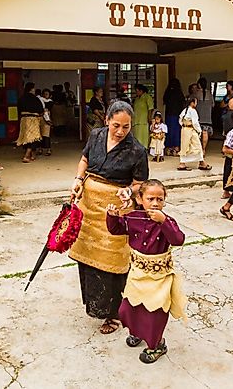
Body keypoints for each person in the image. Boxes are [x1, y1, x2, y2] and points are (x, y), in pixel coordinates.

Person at [69, 101, 149, 335]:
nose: (121, 131)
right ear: (107, 120)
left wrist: (130, 192)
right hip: (88, 206)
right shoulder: (95, 136)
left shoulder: (137, 150)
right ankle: (94, 305)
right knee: (88, 257)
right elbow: (84, 160)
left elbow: (139, 184)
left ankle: (113, 312)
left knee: (112, 263)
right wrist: (77, 179)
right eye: (116, 125)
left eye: (126, 127)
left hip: (114, 210)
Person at [106, 179, 186, 364]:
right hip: (137, 274)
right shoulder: (133, 217)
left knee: (154, 313)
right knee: (129, 308)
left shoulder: (167, 221)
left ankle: (157, 344)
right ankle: (137, 333)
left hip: (159, 278)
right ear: (140, 199)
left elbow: (178, 239)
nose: (156, 203)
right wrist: (112, 215)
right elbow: (116, 229)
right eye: (150, 198)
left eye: (160, 199)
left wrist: (164, 221)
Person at [16, 82, 44, 163]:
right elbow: (40, 110)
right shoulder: (35, 99)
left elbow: (18, 110)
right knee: (34, 138)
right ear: (31, 89)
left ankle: (33, 155)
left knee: (26, 138)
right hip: (33, 120)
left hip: (24, 120)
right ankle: (27, 155)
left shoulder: (21, 98)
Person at [177, 95, 204, 171]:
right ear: (192, 103)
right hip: (191, 130)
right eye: (195, 102)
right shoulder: (192, 111)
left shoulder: (185, 110)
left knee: (184, 146)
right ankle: (201, 163)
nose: (196, 104)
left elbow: (180, 120)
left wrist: (183, 125)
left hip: (184, 130)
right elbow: (195, 123)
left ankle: (201, 162)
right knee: (197, 146)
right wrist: (199, 130)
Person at [194, 78, 215, 169]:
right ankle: (204, 149)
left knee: (198, 134)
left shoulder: (196, 94)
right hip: (207, 115)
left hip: (199, 115)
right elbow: (213, 104)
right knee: (205, 132)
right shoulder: (210, 94)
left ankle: (199, 150)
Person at [162, 78, 185, 156]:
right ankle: (176, 148)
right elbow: (182, 103)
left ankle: (168, 148)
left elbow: (164, 101)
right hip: (177, 115)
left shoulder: (168, 92)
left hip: (169, 114)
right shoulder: (179, 93)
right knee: (177, 132)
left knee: (169, 131)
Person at [39, 88, 53, 156]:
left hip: (47, 120)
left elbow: (47, 110)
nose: (45, 95)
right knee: (40, 135)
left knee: (47, 135)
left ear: (49, 95)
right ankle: (40, 149)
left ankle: (48, 149)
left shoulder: (50, 102)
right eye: (44, 94)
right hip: (41, 119)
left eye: (47, 94)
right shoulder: (40, 100)